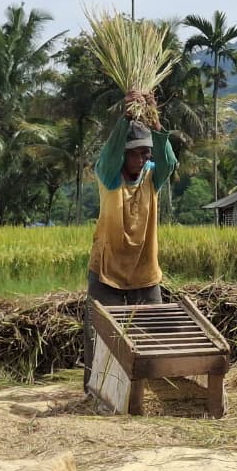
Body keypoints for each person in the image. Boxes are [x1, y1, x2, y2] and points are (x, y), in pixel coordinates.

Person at [83, 91, 178, 391]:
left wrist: (153, 116)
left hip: (144, 270)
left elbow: (168, 161)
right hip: (107, 268)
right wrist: (126, 116)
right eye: (136, 153)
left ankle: (148, 389)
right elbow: (108, 153)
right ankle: (96, 389)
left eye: (146, 153)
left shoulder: (153, 176)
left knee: (151, 333)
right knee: (101, 335)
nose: (142, 159)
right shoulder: (109, 175)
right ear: (124, 153)